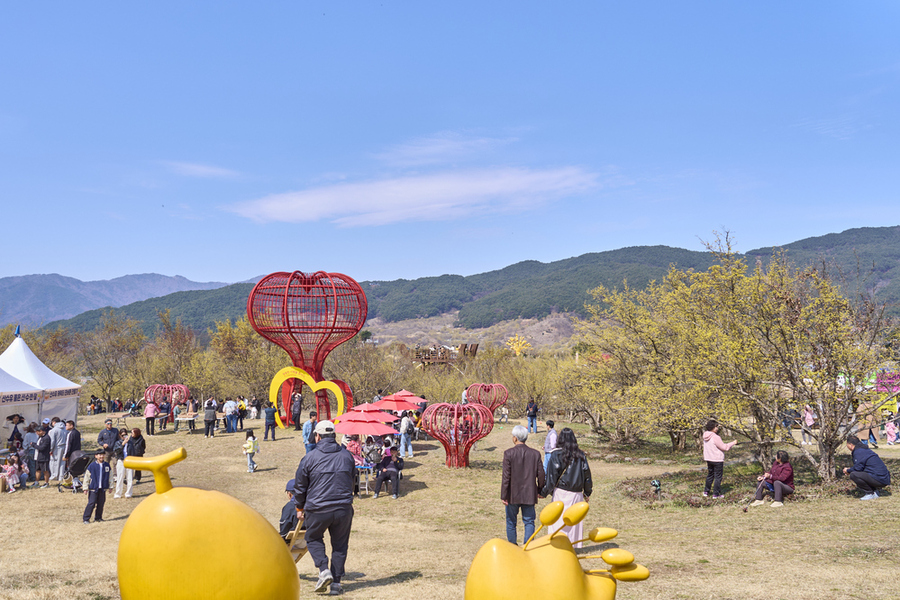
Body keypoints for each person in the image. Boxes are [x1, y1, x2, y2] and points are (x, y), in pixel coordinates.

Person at [292, 420, 356, 595]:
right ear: (334, 435)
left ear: (317, 436)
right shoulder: (347, 456)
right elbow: (352, 480)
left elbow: (300, 486)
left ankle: (323, 570)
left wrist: (299, 507)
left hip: (318, 508)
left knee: (313, 539)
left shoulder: (309, 458)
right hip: (343, 507)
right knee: (340, 546)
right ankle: (336, 584)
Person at [540, 427, 592, 546]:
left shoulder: (556, 455)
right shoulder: (580, 455)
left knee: (558, 521)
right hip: (576, 493)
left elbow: (551, 478)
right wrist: (587, 492)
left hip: (561, 492)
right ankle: (572, 545)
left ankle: (558, 543)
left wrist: (543, 493)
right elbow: (587, 475)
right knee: (574, 522)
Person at [501, 425, 546, 546]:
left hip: (512, 494)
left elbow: (506, 477)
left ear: (515, 438)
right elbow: (541, 475)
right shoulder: (535, 454)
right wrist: (540, 490)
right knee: (529, 522)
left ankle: (512, 546)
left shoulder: (508, 453)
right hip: (529, 493)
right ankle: (528, 546)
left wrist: (504, 495)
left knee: (511, 522)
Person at [842, 435, 891, 500]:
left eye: (847, 444)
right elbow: (860, 467)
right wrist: (850, 469)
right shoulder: (864, 449)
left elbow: (858, 468)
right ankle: (875, 492)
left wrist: (848, 470)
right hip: (884, 478)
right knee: (859, 473)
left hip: (880, 479)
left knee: (854, 474)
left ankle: (870, 493)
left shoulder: (858, 452)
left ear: (850, 445)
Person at [702, 420, 736, 499]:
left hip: (709, 459)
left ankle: (706, 492)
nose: (717, 428)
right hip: (717, 460)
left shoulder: (705, 435)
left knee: (710, 475)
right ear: (712, 427)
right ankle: (715, 494)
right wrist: (733, 443)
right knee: (718, 477)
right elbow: (724, 447)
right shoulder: (715, 437)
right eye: (716, 427)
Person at [82, 449, 112, 523]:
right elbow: (87, 477)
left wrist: (110, 486)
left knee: (101, 503)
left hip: (102, 488)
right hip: (93, 488)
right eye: (99, 455)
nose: (101, 456)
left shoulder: (107, 465)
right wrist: (85, 488)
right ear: (96, 456)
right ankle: (86, 518)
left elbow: (110, 476)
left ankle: (98, 517)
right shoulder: (92, 466)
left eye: (102, 454)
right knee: (91, 503)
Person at [113, 428, 133, 499]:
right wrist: (122, 444)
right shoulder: (118, 443)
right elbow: (116, 451)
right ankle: (118, 493)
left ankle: (128, 493)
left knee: (129, 478)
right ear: (120, 435)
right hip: (121, 461)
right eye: (123, 435)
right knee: (120, 478)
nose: (124, 436)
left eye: (126, 435)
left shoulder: (130, 442)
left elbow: (133, 452)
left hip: (129, 461)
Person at [48, 417, 67, 481]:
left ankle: (54, 475)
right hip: (64, 446)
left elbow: (52, 441)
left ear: (54, 422)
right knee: (62, 461)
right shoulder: (65, 428)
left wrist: (51, 449)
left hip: (57, 447)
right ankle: (61, 476)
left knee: (54, 461)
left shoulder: (54, 430)